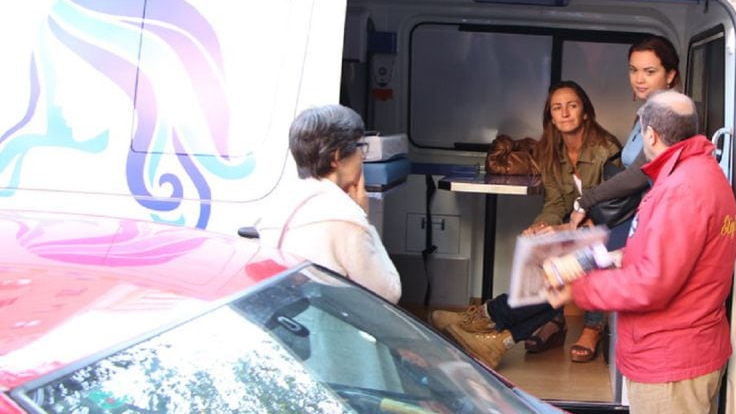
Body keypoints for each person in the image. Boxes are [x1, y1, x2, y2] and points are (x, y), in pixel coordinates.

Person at [547, 90, 736, 414]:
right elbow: (663, 254)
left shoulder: (680, 189)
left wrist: (578, 290)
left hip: (671, 363)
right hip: (691, 353)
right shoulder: (700, 173)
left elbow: (651, 284)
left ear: (650, 135)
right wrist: (599, 259)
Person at [432, 81, 622, 368]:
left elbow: (610, 211)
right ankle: (501, 338)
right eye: (557, 108)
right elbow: (556, 203)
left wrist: (563, 231)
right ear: (550, 117)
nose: (565, 113)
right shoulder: (550, 151)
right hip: (573, 230)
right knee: (537, 251)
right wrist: (541, 227)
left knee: (569, 267)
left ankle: (491, 317)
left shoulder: (606, 149)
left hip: (606, 234)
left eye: (572, 105)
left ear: (585, 112)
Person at [565, 34, 681, 362]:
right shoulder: (646, 111)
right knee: (563, 247)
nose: (639, 79)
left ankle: (589, 328)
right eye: (634, 70)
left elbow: (640, 174)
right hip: (625, 209)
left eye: (649, 71)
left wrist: (586, 201)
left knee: (578, 257)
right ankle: (506, 322)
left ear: (669, 74)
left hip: (642, 214)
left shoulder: (669, 114)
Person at [258, 104, 402, 303]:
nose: (362, 157)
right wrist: (366, 220)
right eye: (360, 148)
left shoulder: (280, 203)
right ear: (336, 157)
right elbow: (388, 293)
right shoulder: (344, 217)